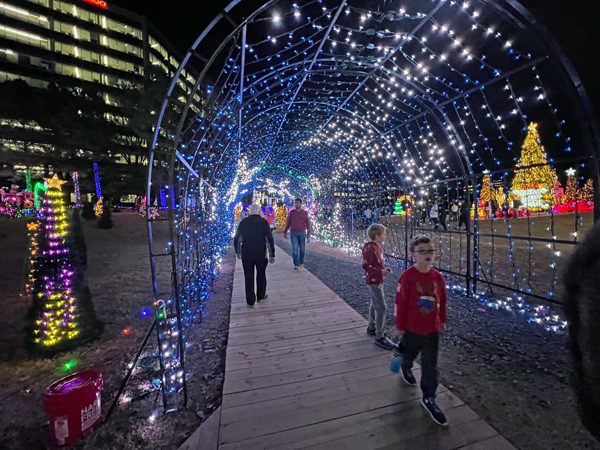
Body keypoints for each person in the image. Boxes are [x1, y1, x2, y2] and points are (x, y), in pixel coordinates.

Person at [393, 235, 448, 426]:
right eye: (422, 251)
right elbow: (400, 303)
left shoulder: (437, 277)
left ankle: (429, 397)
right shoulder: (407, 277)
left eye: (430, 250)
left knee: (430, 363)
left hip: (431, 327)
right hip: (412, 327)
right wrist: (400, 325)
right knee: (410, 351)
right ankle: (405, 364)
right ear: (413, 254)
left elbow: (441, 299)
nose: (427, 255)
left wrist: (441, 319)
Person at [233, 204, 275, 308]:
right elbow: (269, 239)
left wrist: (238, 252)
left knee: (248, 276)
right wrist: (272, 254)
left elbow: (237, 238)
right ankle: (261, 295)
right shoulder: (264, 222)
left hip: (246, 253)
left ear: (250, 211)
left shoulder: (243, 222)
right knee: (261, 274)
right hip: (260, 253)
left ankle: (250, 300)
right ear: (259, 211)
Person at [362, 224, 395, 350]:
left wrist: (383, 269)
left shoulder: (375, 247)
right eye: (383, 234)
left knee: (374, 302)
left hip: (376, 279)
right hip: (373, 280)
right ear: (377, 236)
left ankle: (372, 326)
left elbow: (374, 263)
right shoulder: (370, 248)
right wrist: (380, 272)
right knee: (381, 307)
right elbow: (366, 265)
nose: (385, 236)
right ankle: (379, 336)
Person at [284, 198, 311, 270]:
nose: (296, 204)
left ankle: (301, 261)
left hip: (302, 233)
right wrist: (285, 231)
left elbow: (307, 223)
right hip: (294, 233)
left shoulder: (304, 213)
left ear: (301, 204)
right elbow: (289, 222)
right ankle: (296, 264)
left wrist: (308, 232)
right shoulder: (292, 212)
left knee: (302, 249)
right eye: (295, 203)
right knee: (294, 249)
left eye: (298, 203)